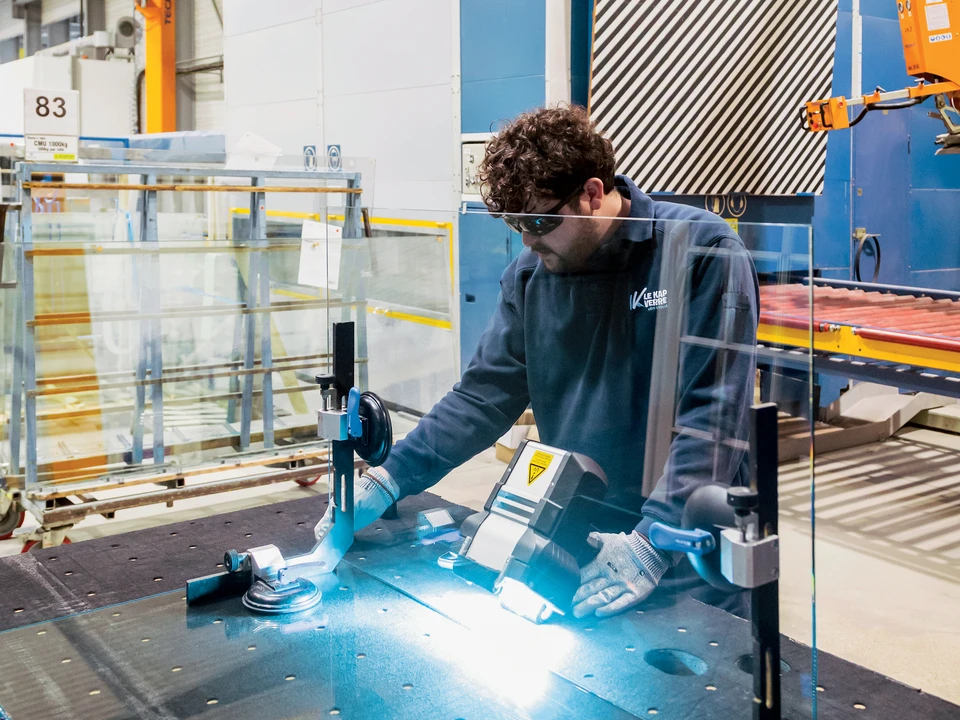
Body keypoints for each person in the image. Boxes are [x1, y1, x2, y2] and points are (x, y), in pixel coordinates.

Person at [314, 105, 759, 619]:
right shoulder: (530, 276)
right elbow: (482, 397)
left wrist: (652, 544)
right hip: (580, 520)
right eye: (515, 224)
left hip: (680, 539)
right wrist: (390, 478)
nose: (527, 239)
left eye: (540, 221)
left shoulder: (699, 251)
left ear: (592, 193)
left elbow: (713, 418)